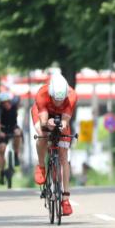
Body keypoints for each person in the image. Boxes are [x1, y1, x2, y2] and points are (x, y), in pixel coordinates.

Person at [32, 73, 78, 216]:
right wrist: (48, 124)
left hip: (60, 116)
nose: (58, 102)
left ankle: (65, 199)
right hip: (44, 114)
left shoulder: (71, 95)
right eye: (55, 100)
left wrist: (61, 125)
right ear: (51, 94)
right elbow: (44, 121)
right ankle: (41, 166)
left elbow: (65, 120)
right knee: (42, 135)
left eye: (60, 100)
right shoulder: (42, 94)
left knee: (64, 156)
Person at [0, 91, 23, 185]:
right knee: (1, 149)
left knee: (18, 133)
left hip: (13, 127)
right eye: (3, 103)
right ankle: (2, 172)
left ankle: (16, 154)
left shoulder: (14, 104)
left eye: (7, 102)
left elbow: (19, 100)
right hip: (3, 129)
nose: (5, 104)